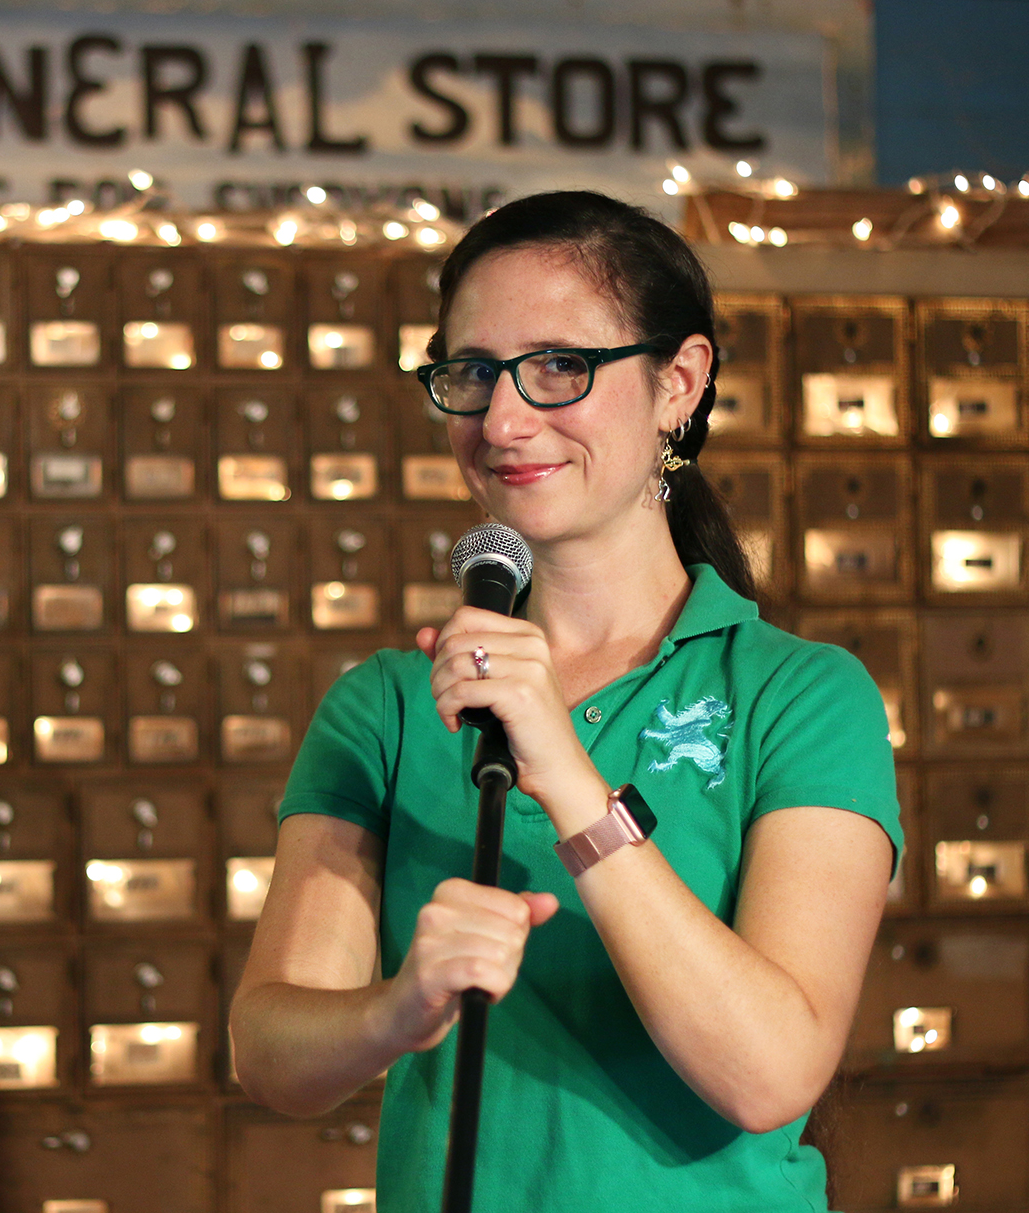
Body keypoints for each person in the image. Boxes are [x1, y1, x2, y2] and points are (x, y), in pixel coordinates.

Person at [229, 190, 901, 1211]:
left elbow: (768, 1073)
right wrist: (399, 1007)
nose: (502, 420)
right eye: (471, 374)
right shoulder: (389, 707)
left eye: (558, 368)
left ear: (678, 382)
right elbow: (271, 1055)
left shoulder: (799, 696)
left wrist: (572, 782)